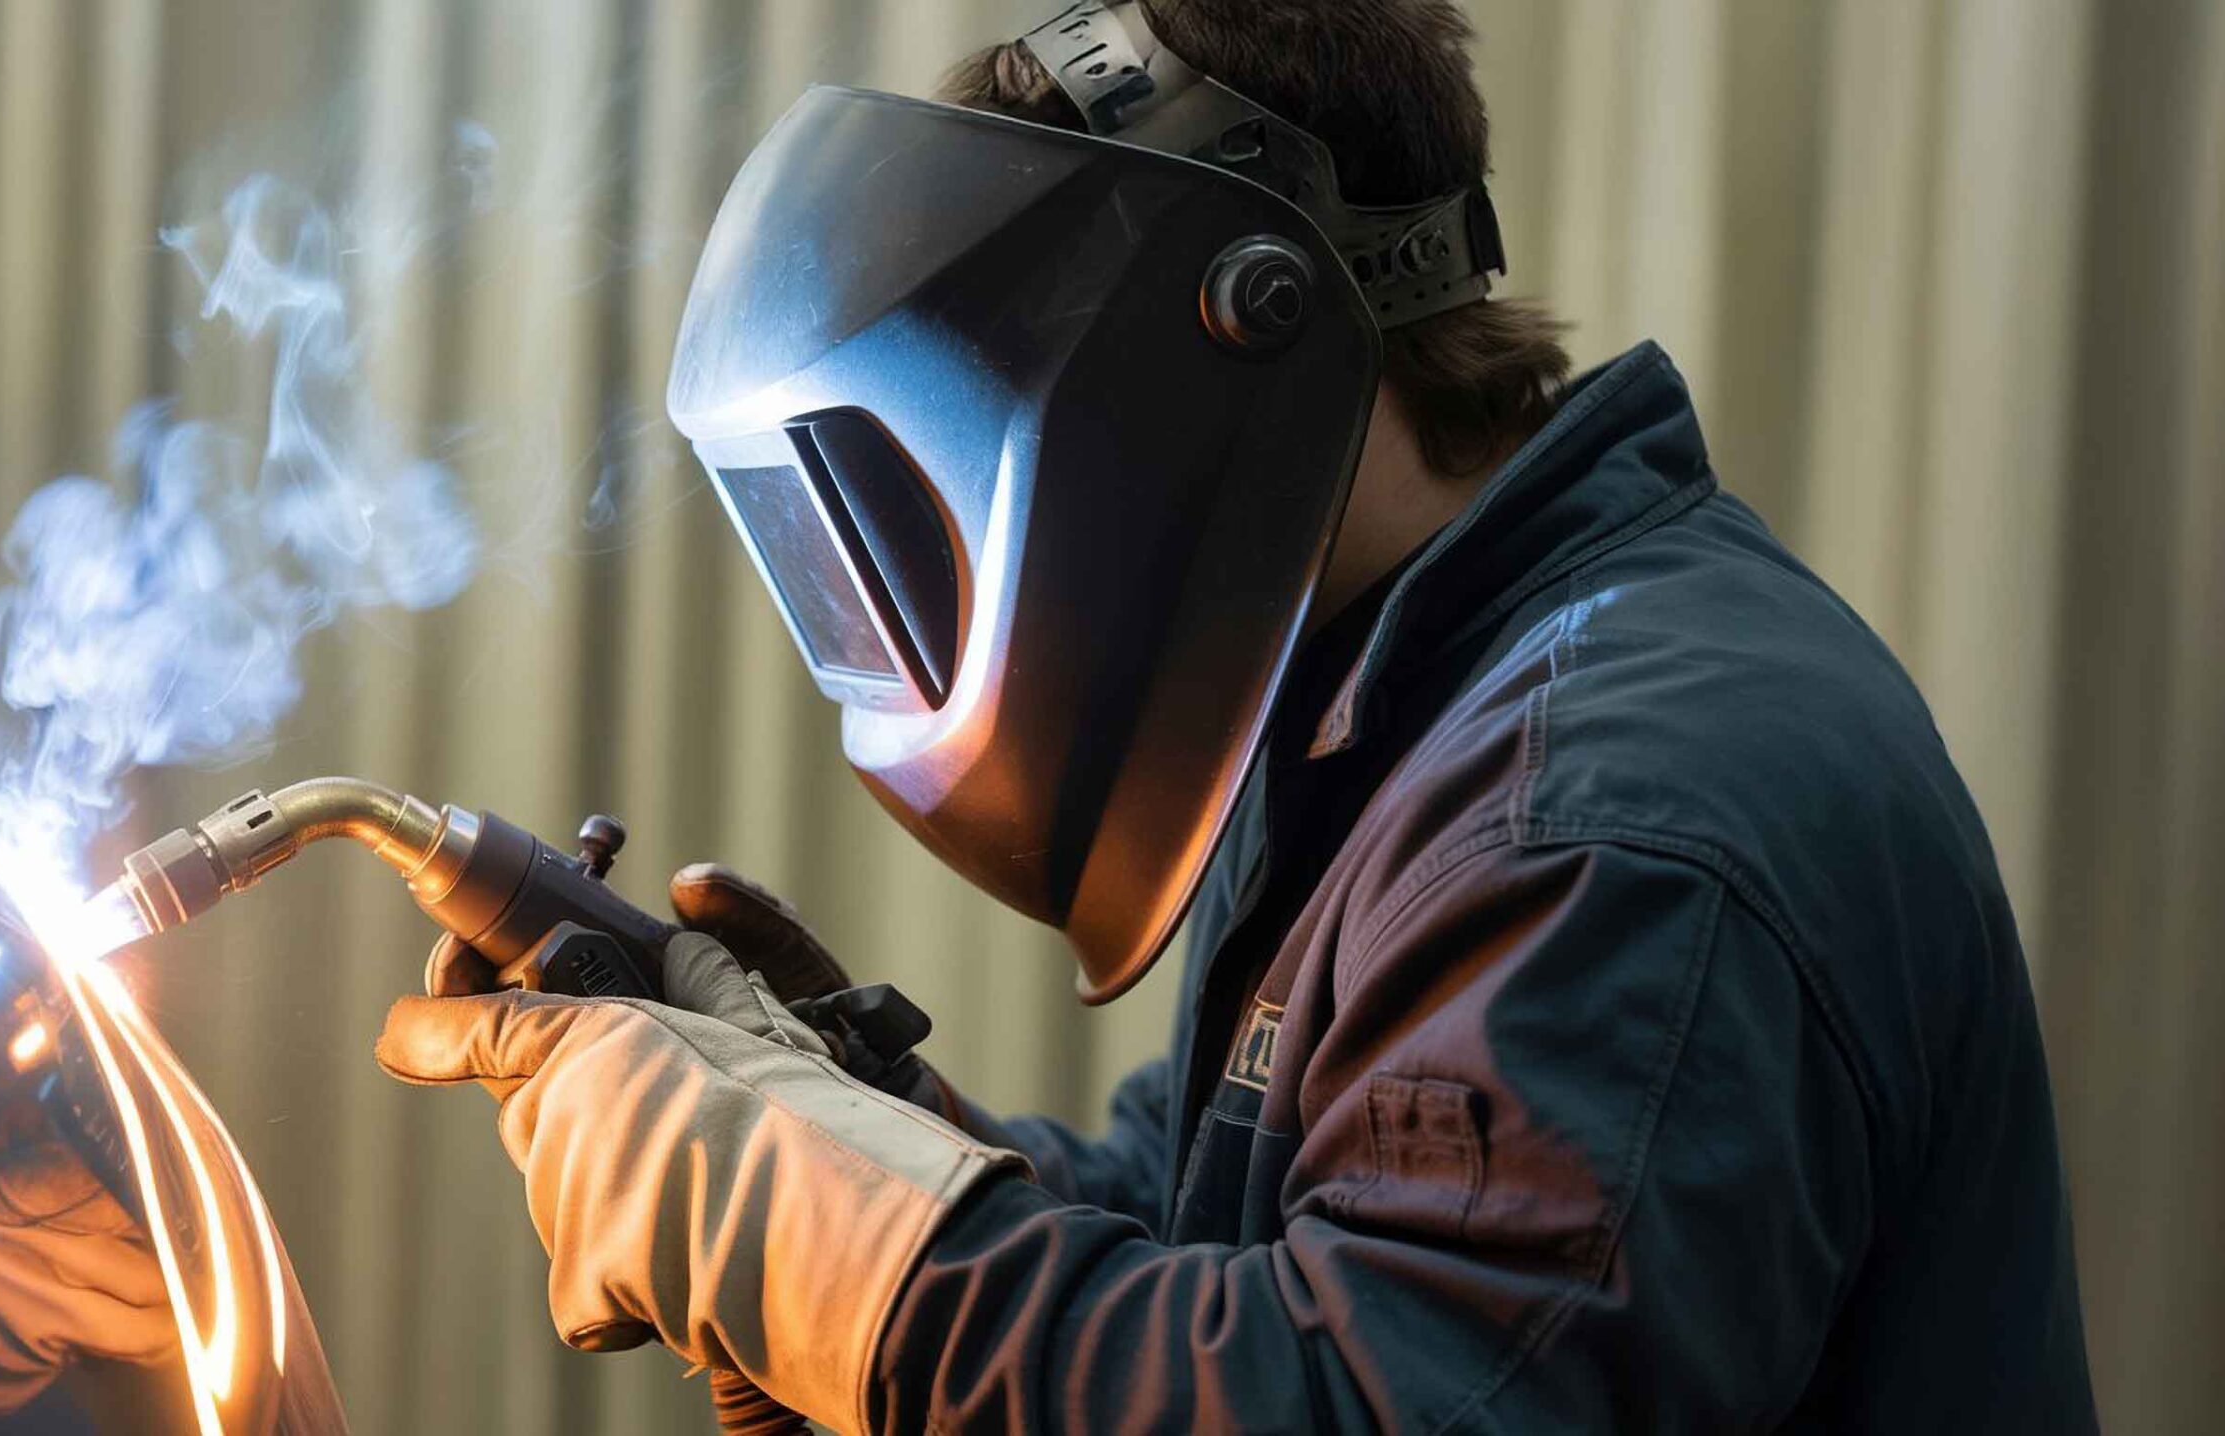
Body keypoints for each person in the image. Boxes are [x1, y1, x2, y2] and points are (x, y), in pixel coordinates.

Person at [375, 1, 2098, 1430]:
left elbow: (1361, 1396)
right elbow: (1236, 1237)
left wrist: (824, 1243)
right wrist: (854, 1124)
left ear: (1216, 332)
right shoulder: (1394, 703)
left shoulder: (1610, 811)